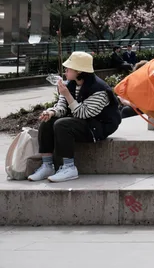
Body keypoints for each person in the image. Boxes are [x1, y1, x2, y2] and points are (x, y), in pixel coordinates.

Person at [27, 51, 122, 183]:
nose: (65, 71)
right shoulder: (70, 84)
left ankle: (69, 167)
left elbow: (82, 113)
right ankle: (47, 165)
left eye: (69, 68)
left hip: (98, 126)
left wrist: (67, 95)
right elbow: (61, 107)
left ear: (79, 71)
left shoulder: (99, 89)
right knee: (48, 121)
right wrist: (51, 112)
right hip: (82, 122)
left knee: (62, 124)